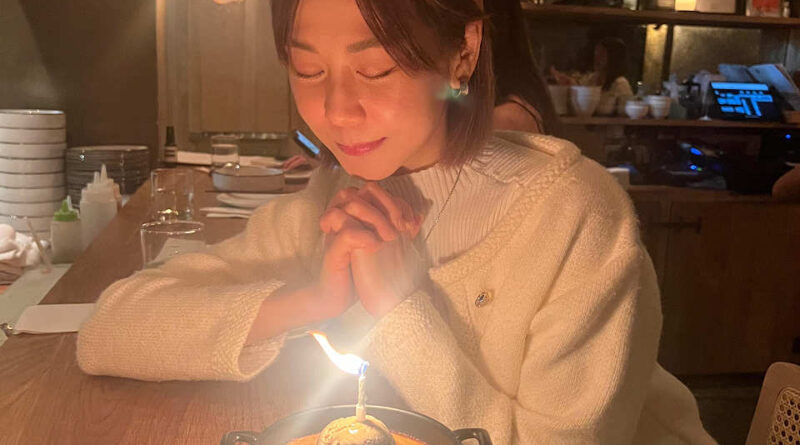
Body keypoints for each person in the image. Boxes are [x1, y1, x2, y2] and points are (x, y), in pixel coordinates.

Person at [77, 0, 716, 443]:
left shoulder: (571, 214)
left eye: (376, 68)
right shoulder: (336, 198)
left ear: (462, 53)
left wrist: (398, 307)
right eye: (308, 70)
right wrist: (314, 299)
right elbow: (108, 332)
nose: (336, 109)